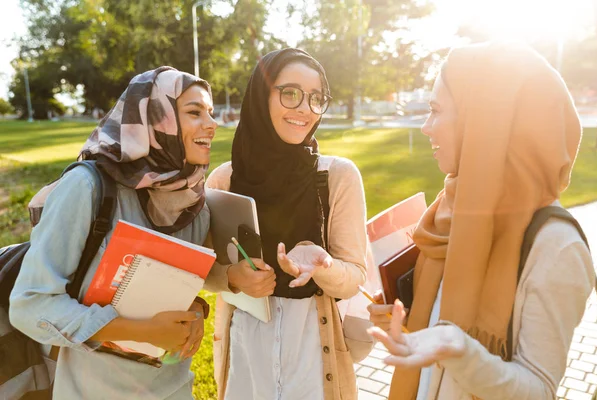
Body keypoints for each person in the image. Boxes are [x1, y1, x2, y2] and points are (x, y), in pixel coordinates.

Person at [367, 41, 595, 399]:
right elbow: (436, 323)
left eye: (436, 110)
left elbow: (539, 389)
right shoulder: (451, 211)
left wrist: (459, 350)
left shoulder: (556, 247)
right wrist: (408, 321)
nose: (426, 127)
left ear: (488, 123)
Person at [9, 66, 222, 399]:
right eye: (195, 112)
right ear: (156, 117)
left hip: (174, 387)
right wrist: (143, 331)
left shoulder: (194, 201)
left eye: (210, 112)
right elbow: (30, 304)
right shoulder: (86, 187)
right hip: (93, 388)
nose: (212, 124)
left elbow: (168, 285)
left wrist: (195, 309)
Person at [206, 48, 368, 400]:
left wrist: (323, 266)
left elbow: (355, 276)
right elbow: (201, 268)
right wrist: (233, 278)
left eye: (316, 98)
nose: (305, 109)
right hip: (246, 352)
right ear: (261, 96)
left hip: (313, 353)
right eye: (290, 93)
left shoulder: (337, 177)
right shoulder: (224, 181)